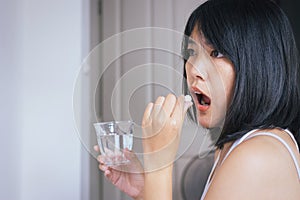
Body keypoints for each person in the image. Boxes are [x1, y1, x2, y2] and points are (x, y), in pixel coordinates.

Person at [95, 0, 300, 199]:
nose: (194, 69)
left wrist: (160, 162)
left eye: (216, 52)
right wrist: (145, 190)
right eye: (191, 53)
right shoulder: (236, 147)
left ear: (258, 64)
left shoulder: (257, 156)